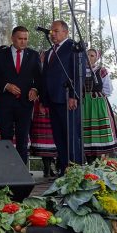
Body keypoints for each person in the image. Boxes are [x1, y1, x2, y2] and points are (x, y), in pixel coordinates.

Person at [0, 26, 41, 164]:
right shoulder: (0, 54)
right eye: (20, 38)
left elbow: (40, 78)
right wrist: (6, 86)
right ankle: (7, 168)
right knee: (6, 137)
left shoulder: (34, 55)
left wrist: (35, 89)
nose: (23, 42)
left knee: (23, 138)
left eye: (25, 39)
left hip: (25, 104)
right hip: (5, 103)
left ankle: (22, 170)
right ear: (12, 38)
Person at [41, 20, 85, 175]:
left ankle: (76, 170)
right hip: (53, 100)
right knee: (59, 137)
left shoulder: (73, 48)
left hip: (67, 99)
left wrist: (74, 95)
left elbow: (77, 74)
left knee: (71, 136)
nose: (52, 33)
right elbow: (45, 76)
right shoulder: (49, 51)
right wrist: (43, 100)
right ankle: (65, 169)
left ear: (66, 32)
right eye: (51, 31)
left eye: (56, 31)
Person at [83, 48, 117, 162]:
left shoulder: (101, 71)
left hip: (97, 105)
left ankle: (97, 164)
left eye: (92, 55)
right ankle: (89, 162)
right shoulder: (79, 71)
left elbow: (108, 89)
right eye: (87, 55)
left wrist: (96, 96)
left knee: (99, 134)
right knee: (86, 133)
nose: (89, 58)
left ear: (96, 58)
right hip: (84, 105)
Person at [30, 50, 57, 177]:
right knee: (43, 138)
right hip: (40, 104)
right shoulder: (36, 69)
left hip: (52, 105)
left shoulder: (52, 69)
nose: (44, 58)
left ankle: (51, 167)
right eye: (42, 56)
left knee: (52, 139)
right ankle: (46, 168)